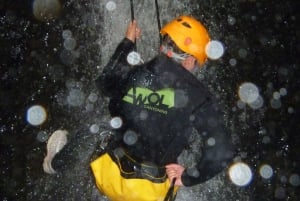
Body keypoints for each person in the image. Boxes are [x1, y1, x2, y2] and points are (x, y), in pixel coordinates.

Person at [90, 16, 235, 201]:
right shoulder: (200, 97)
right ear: (190, 61)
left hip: (109, 177)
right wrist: (188, 177)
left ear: (162, 47)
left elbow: (105, 84)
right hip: (152, 193)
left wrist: (127, 43)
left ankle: (55, 163)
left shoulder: (133, 73)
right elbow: (222, 151)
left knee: (98, 129)